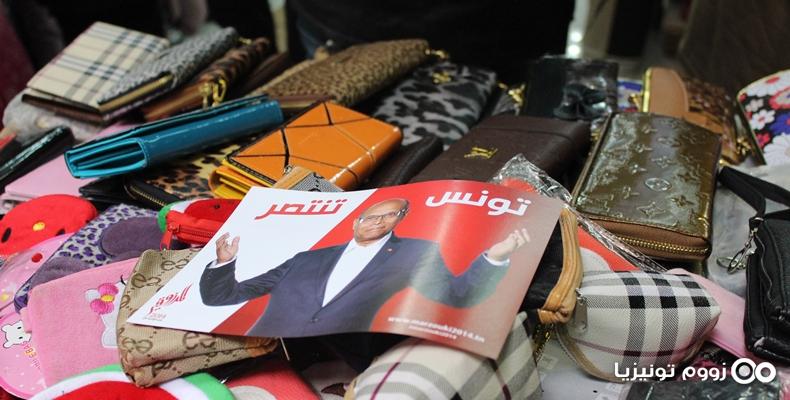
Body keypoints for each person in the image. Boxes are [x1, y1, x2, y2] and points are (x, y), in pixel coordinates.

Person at [200, 198, 530, 337]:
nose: (378, 222)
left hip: (343, 360)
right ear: (355, 221)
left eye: (390, 215)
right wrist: (224, 263)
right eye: (371, 216)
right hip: (269, 348)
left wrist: (495, 257)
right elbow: (222, 296)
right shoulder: (306, 258)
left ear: (400, 219)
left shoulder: (415, 252)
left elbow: (458, 296)